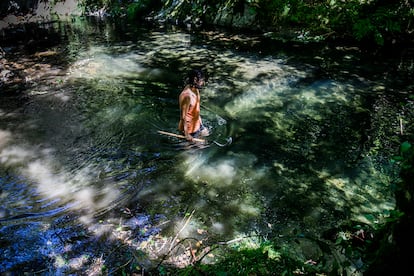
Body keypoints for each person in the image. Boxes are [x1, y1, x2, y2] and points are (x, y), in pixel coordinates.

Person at [178, 69, 210, 142]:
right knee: (193, 152)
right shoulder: (186, 95)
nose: (203, 83)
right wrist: (186, 134)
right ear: (195, 79)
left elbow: (196, 108)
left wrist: (201, 125)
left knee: (203, 146)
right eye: (202, 80)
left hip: (198, 125)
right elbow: (183, 117)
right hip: (189, 131)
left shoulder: (196, 90)